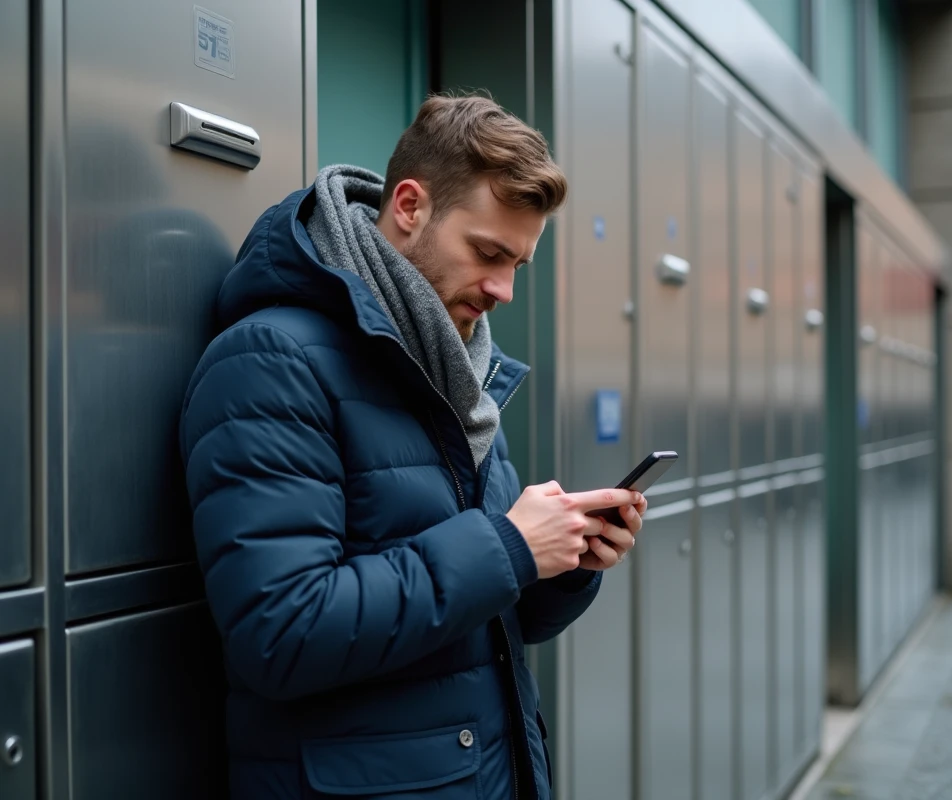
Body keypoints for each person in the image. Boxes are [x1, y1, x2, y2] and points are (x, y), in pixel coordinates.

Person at [178, 95, 648, 798]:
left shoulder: (457, 364)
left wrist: (567, 562)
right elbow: (281, 631)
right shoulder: (271, 360)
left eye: (519, 263)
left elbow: (491, 622)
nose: (504, 290)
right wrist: (511, 546)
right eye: (489, 253)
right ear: (408, 206)